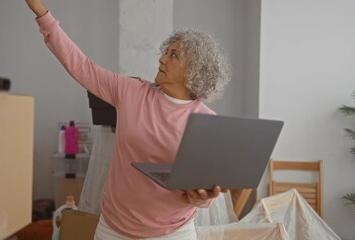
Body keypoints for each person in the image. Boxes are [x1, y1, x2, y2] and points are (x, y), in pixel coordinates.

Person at [25, 1, 232, 239]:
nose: (162, 59)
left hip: (172, 233)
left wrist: (201, 198)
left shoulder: (206, 121)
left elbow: (201, 193)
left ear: (194, 70)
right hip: (113, 230)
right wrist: (42, 13)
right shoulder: (131, 92)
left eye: (173, 55)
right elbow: (81, 66)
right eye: (165, 52)